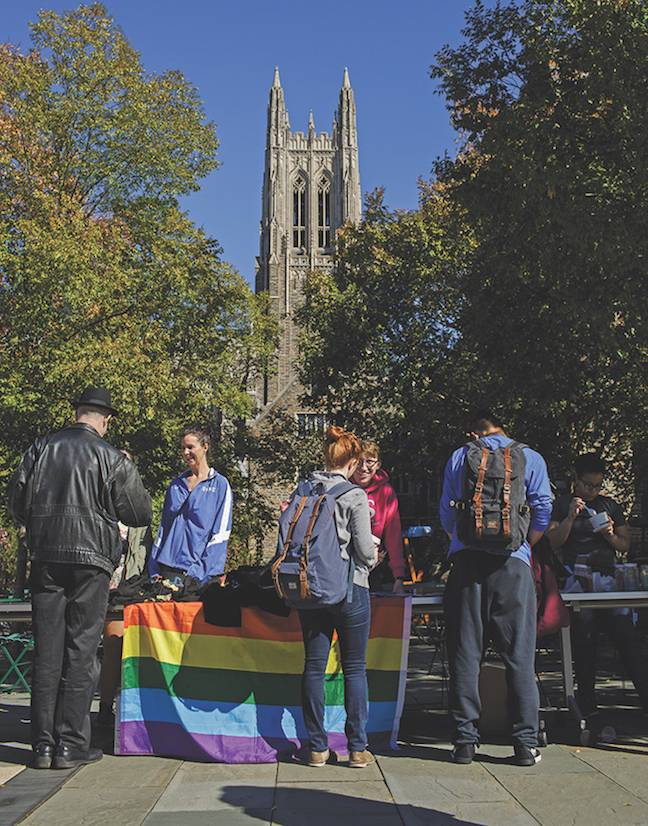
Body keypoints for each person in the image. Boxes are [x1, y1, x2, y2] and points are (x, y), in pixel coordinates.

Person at [8, 386, 151, 770]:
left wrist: (39, 529)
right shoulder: (110, 457)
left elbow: (17, 502)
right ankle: (71, 744)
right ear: (105, 420)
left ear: (77, 413)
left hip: (47, 558)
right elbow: (138, 512)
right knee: (81, 649)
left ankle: (41, 746)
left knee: (47, 649)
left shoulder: (40, 449)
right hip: (92, 561)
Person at [439, 409, 552, 766]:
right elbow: (544, 507)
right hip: (513, 564)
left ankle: (464, 742)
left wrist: (461, 539)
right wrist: (525, 544)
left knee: (465, 654)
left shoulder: (460, 457)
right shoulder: (530, 457)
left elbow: (446, 512)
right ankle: (524, 743)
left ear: (474, 433)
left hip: (467, 563)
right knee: (519, 654)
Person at [295, 426, 378, 768]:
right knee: (355, 668)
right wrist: (375, 553)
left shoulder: (304, 489)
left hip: (310, 589)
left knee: (314, 667)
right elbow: (363, 549)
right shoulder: (353, 495)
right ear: (354, 460)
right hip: (350, 588)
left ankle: (316, 747)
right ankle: (357, 748)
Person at [547, 454, 648, 718]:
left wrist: (609, 534)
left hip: (608, 582)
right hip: (578, 582)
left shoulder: (610, 505)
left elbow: (625, 545)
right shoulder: (561, 505)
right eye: (588, 485)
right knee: (584, 644)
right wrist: (570, 517)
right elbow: (553, 541)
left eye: (597, 485)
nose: (592, 491)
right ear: (576, 481)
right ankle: (588, 708)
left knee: (627, 641)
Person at [97, 451, 153, 729]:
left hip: (125, 589)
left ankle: (110, 709)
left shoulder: (138, 505)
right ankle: (104, 708)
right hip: (96, 584)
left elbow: (144, 549)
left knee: (116, 648)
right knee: (101, 651)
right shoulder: (94, 501)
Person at [148, 426, 232, 584]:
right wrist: (153, 568)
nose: (186, 452)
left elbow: (220, 535)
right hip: (168, 568)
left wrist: (198, 572)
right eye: (183, 448)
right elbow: (163, 529)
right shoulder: (176, 485)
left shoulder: (220, 485)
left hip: (197, 573)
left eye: (190, 447)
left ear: (205, 447)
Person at [351, 440, 406, 592]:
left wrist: (398, 576)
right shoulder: (341, 489)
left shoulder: (386, 492)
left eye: (369, 461)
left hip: (372, 567)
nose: (363, 468)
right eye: (358, 462)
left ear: (378, 464)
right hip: (342, 567)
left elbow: (393, 535)